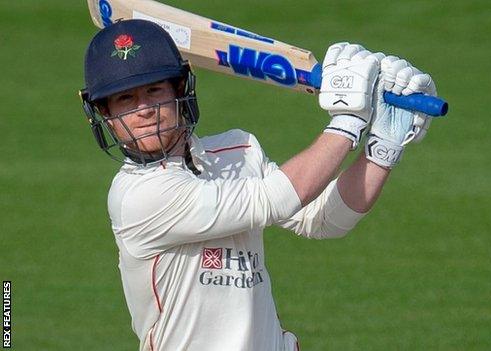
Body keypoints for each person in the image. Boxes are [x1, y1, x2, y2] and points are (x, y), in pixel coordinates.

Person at [80, 19, 438, 351]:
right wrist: (348, 119)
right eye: (125, 98)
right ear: (107, 116)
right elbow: (274, 199)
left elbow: (324, 220)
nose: (143, 110)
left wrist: (382, 148)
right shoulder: (138, 196)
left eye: (154, 90)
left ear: (179, 90)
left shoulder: (239, 151)